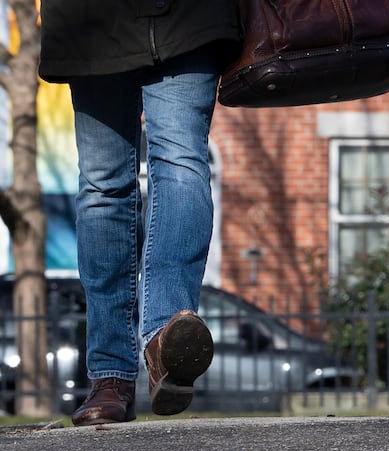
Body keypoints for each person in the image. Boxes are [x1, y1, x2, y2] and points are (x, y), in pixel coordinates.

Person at [38, 1, 241, 426]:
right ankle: (111, 372)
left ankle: (165, 342)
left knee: (173, 166)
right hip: (92, 19)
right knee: (106, 184)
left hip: (190, 18)